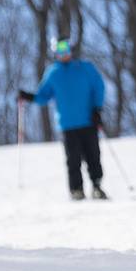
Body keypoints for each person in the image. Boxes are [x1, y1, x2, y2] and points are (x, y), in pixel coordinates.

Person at [18, 36, 109, 200]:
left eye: (66, 49)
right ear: (55, 53)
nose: (63, 54)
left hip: (88, 120)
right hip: (68, 124)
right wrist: (28, 97)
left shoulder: (85, 68)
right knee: (73, 159)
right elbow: (43, 95)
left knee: (93, 155)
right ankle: (76, 190)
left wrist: (97, 109)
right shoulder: (53, 73)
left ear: (70, 50)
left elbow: (99, 87)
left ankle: (97, 186)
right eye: (59, 51)